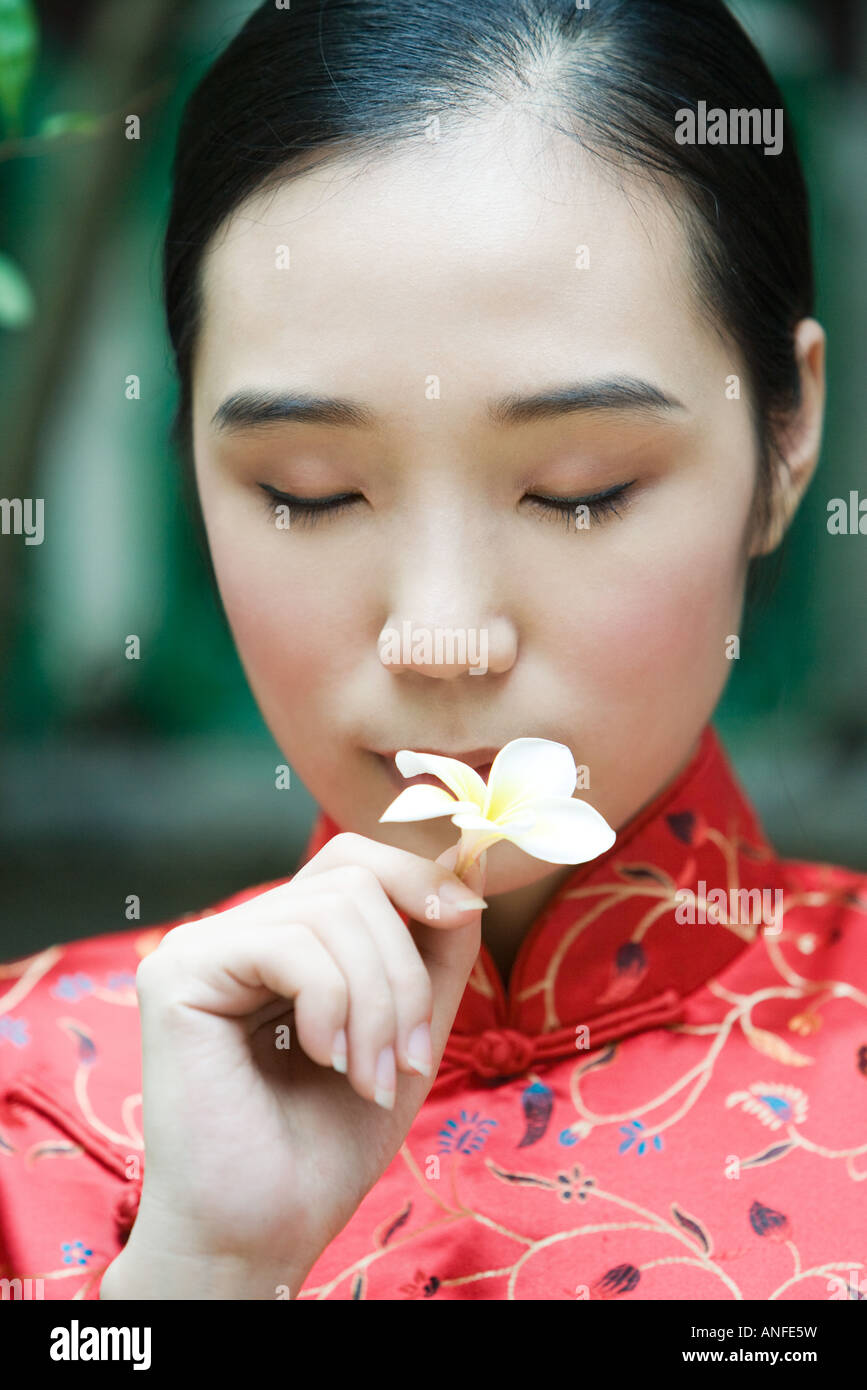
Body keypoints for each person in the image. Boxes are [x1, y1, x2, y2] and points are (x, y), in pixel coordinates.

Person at [1, 0, 865, 1302]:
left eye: (580, 488)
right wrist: (202, 1273)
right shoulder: (30, 1098)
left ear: (788, 432)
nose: (440, 635)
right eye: (310, 490)